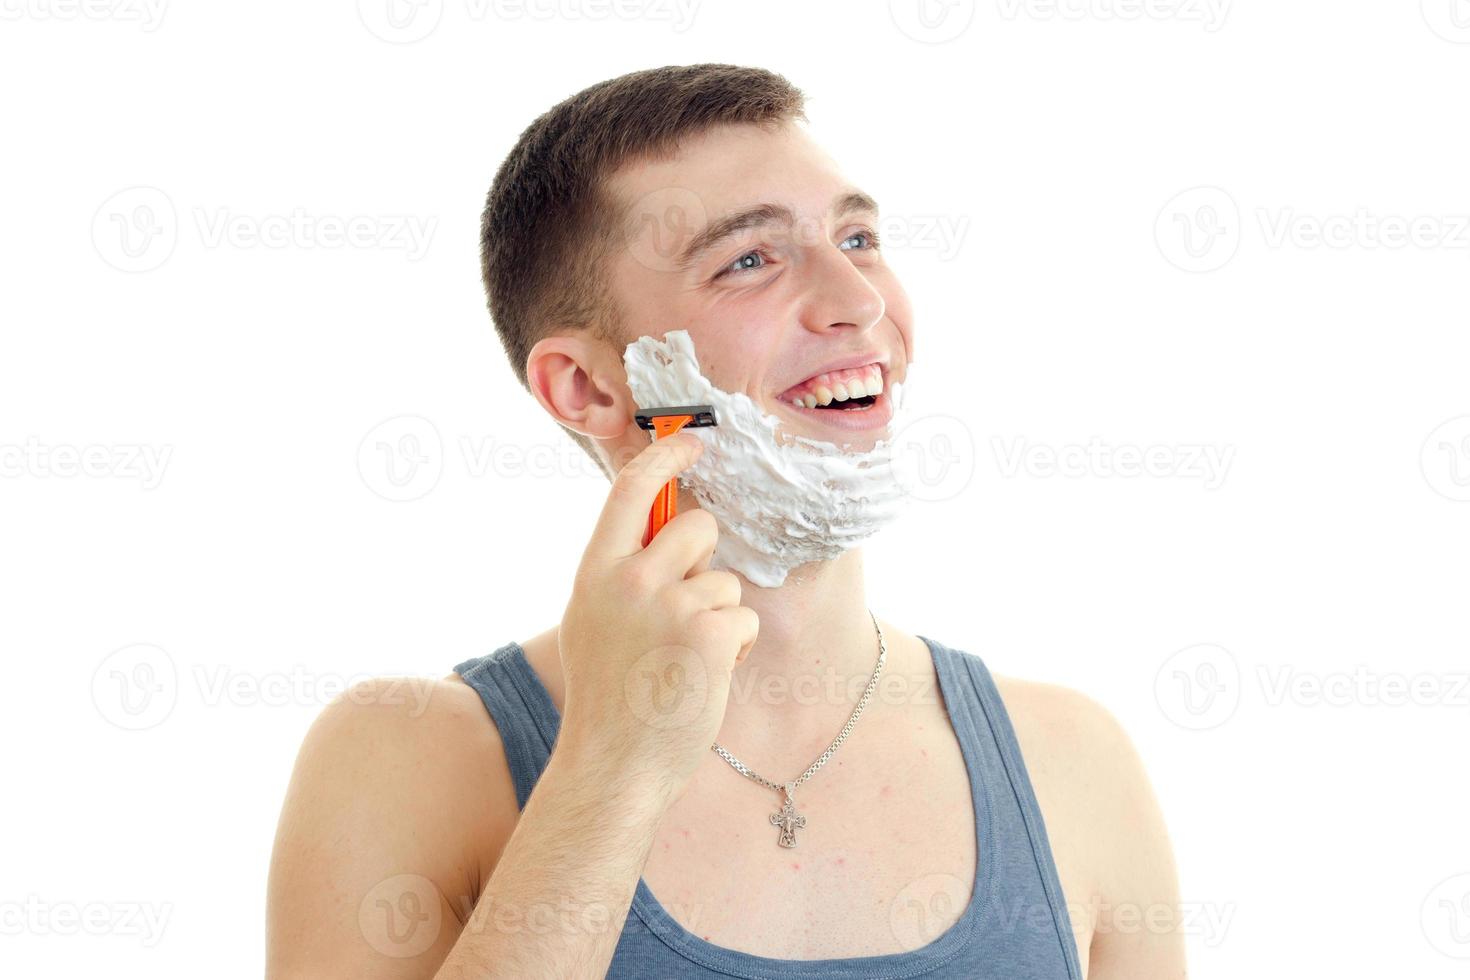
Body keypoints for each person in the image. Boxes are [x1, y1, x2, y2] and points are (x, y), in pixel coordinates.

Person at [265, 64, 1186, 979]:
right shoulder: (405, 758)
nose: (860, 303)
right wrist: (611, 767)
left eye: (858, 238)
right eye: (749, 260)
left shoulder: (1072, 762)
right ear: (588, 387)